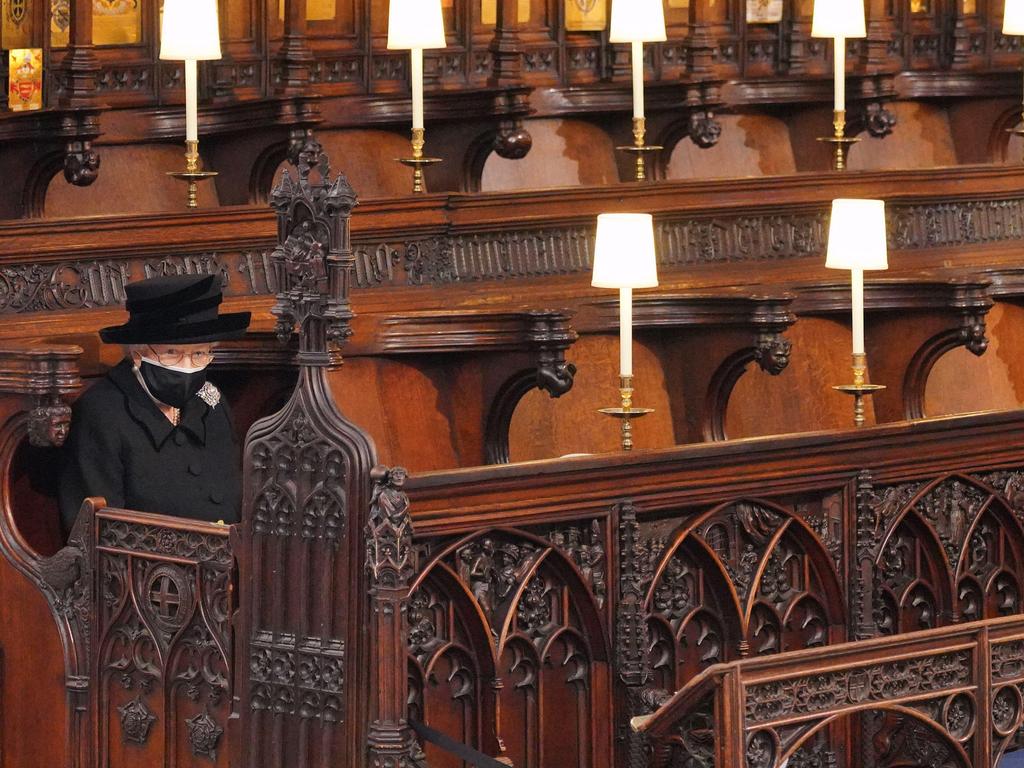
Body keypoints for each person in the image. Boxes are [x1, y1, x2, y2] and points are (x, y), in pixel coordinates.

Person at [58, 274, 251, 532]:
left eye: (199, 353)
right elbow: (96, 533)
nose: (187, 367)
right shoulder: (102, 413)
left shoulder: (211, 402)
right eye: (172, 353)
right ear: (138, 354)